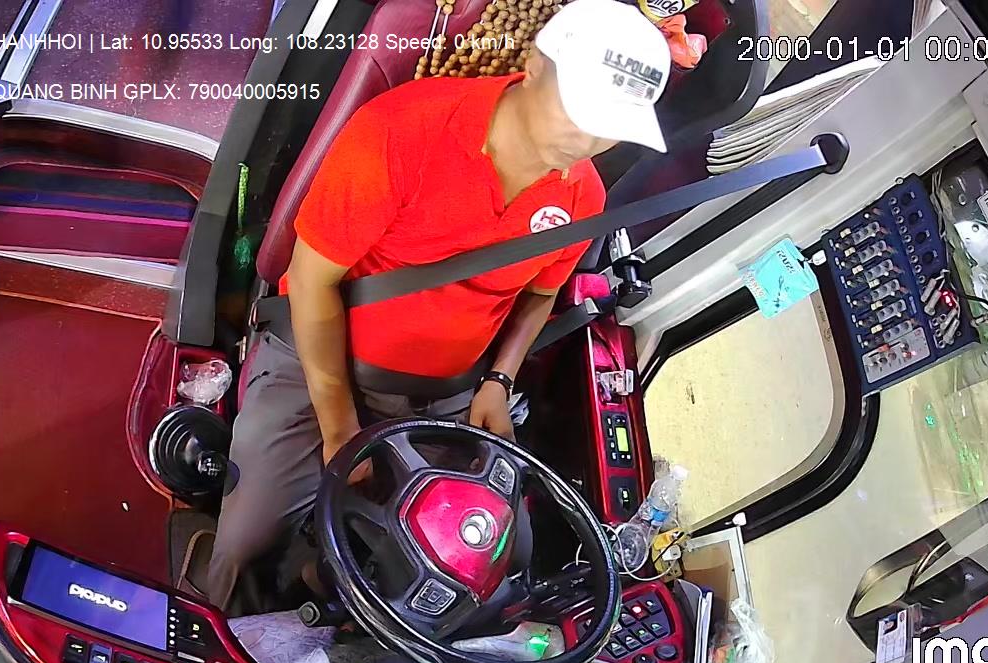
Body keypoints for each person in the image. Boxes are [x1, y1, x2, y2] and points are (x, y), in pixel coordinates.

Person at [206, 0, 673, 609]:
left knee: (498, 563)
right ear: (535, 64)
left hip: (447, 393)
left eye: (610, 125)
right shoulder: (401, 133)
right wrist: (340, 428)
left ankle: (332, 596)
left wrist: (499, 381)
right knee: (244, 545)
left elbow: (539, 294)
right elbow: (312, 280)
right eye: (579, 111)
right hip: (318, 365)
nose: (588, 139)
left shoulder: (583, 196)